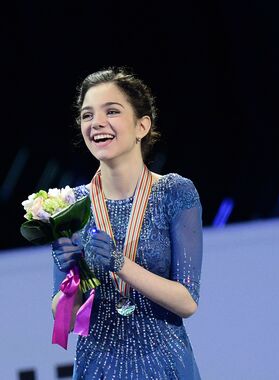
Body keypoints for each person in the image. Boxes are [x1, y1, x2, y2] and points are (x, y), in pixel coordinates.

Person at [50, 67, 203, 379]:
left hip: (164, 367)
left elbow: (187, 302)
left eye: (112, 111)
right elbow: (65, 323)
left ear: (141, 126)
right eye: (87, 115)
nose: (97, 123)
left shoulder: (175, 193)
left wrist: (120, 263)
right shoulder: (69, 206)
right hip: (98, 368)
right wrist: (71, 282)